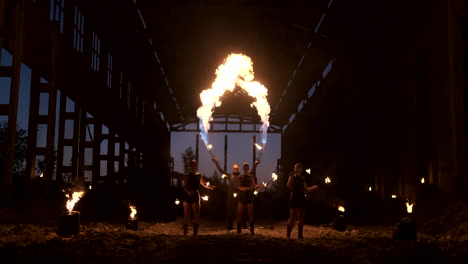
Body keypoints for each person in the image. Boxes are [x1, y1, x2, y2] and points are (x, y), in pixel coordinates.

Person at [286, 163, 319, 239]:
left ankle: (300, 236)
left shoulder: (302, 179)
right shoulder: (292, 176)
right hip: (294, 198)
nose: (297, 169)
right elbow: (288, 186)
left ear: (301, 169)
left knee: (301, 217)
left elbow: (306, 190)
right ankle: (288, 235)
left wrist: (314, 187)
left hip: (302, 199)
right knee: (292, 218)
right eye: (296, 168)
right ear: (294, 169)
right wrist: (291, 176)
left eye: (298, 168)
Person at [182, 160, 214, 235]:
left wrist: (209, 187)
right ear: (189, 166)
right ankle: (185, 233)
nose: (192, 166)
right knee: (186, 214)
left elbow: (203, 183)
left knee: (196, 215)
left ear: (195, 166)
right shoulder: (187, 175)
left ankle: (195, 233)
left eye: (194, 165)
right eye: (191, 165)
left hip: (195, 196)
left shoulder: (198, 175)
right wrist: (189, 192)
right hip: (187, 196)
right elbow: (185, 186)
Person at [211, 156, 240, 230]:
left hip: (239, 195)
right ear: (233, 169)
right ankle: (230, 225)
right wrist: (216, 162)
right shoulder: (230, 175)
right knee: (230, 209)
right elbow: (221, 170)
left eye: (237, 168)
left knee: (239, 209)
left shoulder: (241, 176)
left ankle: (241, 225)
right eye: (234, 168)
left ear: (238, 169)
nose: (235, 169)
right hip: (230, 195)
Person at [236, 161, 264, 234]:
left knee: (250, 215)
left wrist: (260, 186)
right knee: (239, 215)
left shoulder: (251, 176)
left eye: (247, 167)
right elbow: (240, 187)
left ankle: (252, 231)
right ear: (243, 168)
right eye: (244, 167)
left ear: (248, 168)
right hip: (241, 197)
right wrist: (249, 188)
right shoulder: (240, 176)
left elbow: (254, 186)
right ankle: (238, 231)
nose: (246, 168)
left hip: (249, 197)